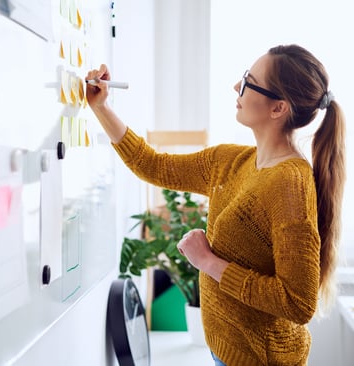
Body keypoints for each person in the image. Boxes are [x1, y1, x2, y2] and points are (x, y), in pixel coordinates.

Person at [85, 44, 346, 366]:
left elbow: (297, 303)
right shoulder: (231, 161)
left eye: (249, 81)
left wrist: (208, 262)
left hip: (259, 359)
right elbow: (153, 165)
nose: (237, 87)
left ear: (278, 108)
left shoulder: (289, 184)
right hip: (225, 348)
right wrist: (101, 107)